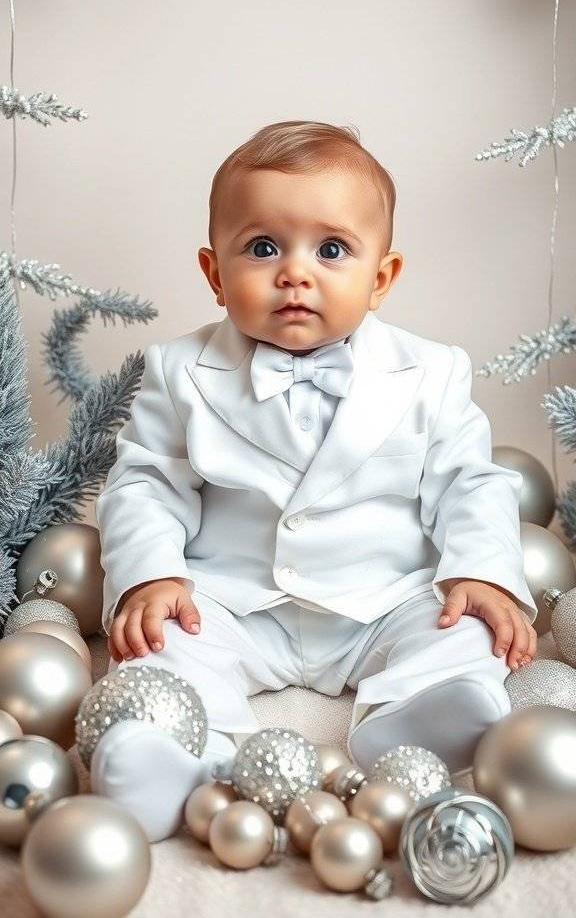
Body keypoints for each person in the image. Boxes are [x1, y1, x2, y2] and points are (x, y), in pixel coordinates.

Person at [91, 120, 538, 843]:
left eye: (331, 250)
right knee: (159, 643)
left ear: (381, 277)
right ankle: (182, 754)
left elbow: (470, 484)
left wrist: (482, 574)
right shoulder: (177, 370)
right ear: (214, 273)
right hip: (234, 605)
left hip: (382, 601)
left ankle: (414, 719)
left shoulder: (432, 372)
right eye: (262, 247)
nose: (295, 273)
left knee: (464, 630)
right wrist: (152, 577)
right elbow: (145, 485)